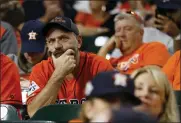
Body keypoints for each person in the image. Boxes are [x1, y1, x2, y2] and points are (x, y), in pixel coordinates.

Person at [26, 16, 114, 117]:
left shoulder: (99, 65)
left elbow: (113, 109)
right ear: (48, 47)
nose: (57, 46)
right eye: (51, 41)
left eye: (63, 38)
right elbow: (34, 113)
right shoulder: (41, 70)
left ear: (79, 42)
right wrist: (59, 74)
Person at [98, 11, 171, 74]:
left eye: (127, 29)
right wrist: (106, 47)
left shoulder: (154, 48)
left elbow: (152, 79)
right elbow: (94, 74)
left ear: (141, 33)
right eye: (118, 30)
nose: (121, 34)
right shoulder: (114, 61)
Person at [8, 20, 48, 89]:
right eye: (27, 49)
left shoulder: (54, 66)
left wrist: (34, 84)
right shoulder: (9, 62)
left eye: (35, 50)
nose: (31, 55)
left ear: (47, 44)